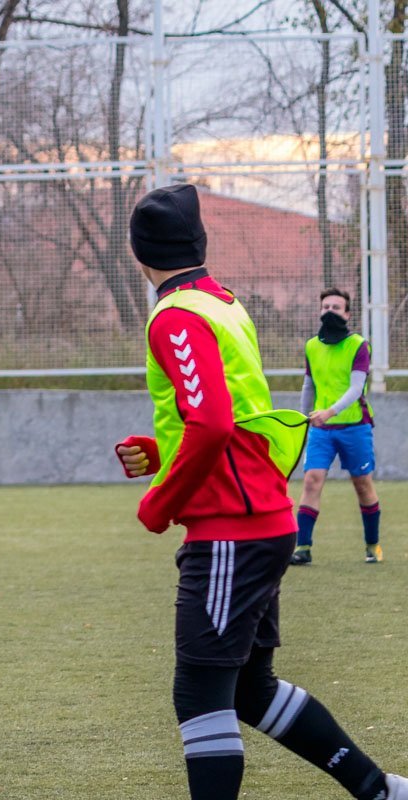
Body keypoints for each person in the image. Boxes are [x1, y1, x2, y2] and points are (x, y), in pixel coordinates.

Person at [114, 184, 404, 800]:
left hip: (231, 527)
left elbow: (215, 422)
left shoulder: (176, 316)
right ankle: (383, 791)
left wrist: (160, 501)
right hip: (259, 514)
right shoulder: (220, 301)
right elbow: (234, 416)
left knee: (199, 692)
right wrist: (165, 452)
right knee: (250, 689)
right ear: (199, 246)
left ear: (139, 253)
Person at [290, 288, 381, 565]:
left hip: (354, 426)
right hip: (321, 429)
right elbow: (309, 384)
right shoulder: (311, 346)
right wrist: (305, 417)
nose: (330, 311)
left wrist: (330, 411)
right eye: (326, 306)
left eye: (336, 307)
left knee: (363, 485)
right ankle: (302, 548)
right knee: (311, 481)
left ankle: (372, 544)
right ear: (320, 311)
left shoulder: (358, 345)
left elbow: (356, 388)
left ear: (348, 314)